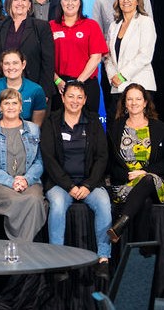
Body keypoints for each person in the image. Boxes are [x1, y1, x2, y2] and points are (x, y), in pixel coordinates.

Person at [41, 81, 111, 269]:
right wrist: (69, 186)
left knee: (104, 203)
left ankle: (104, 257)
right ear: (63, 98)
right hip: (60, 184)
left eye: (79, 97)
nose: (75, 101)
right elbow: (49, 159)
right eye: (71, 96)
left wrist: (88, 185)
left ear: (85, 100)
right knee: (57, 205)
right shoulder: (51, 121)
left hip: (89, 183)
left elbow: (102, 157)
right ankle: (57, 258)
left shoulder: (93, 121)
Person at [106, 84, 164, 242]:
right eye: (129, 99)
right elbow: (108, 162)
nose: (133, 102)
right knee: (144, 202)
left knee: (147, 179)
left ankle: (122, 223)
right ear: (124, 103)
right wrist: (128, 175)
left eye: (138, 99)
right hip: (125, 184)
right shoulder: (115, 128)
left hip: (153, 183)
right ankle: (141, 255)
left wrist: (145, 172)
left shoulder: (159, 128)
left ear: (145, 103)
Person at [0, 88, 46, 241]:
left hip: (29, 182)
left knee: (35, 200)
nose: (10, 106)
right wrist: (11, 181)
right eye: (6, 103)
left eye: (14, 103)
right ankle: (25, 249)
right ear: (0, 107)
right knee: (19, 200)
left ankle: (20, 247)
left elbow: (39, 161)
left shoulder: (34, 129)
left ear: (21, 107)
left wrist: (26, 179)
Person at [0, 0, 55, 103]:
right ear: (9, 2)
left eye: (24, 0)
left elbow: (48, 62)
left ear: (30, 4)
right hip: (3, 89)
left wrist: (44, 92)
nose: (20, 3)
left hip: (33, 89)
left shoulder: (41, 27)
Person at [50, 0, 108, 113]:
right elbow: (46, 58)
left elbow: (96, 57)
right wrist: (57, 80)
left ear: (80, 2)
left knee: (89, 125)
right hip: (60, 85)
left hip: (86, 83)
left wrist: (78, 83)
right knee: (58, 125)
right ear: (60, 2)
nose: (70, 3)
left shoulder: (91, 25)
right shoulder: (51, 26)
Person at [104, 0, 157, 100]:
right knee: (116, 118)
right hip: (117, 87)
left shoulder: (145, 22)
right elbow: (108, 57)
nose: (126, 0)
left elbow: (145, 55)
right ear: (118, 1)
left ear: (138, 1)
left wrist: (122, 76)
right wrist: (113, 77)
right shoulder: (114, 26)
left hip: (141, 86)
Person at [0, 49, 48, 126]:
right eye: (7, 63)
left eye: (15, 63)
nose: (11, 67)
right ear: (2, 65)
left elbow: (36, 125)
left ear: (23, 64)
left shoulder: (36, 90)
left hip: (25, 136)